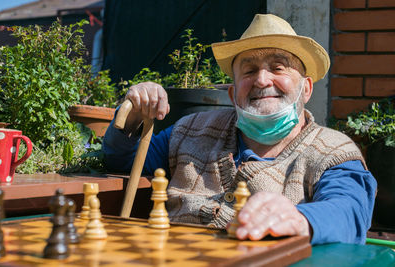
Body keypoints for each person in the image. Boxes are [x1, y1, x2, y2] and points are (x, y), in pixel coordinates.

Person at [102, 14, 377, 245]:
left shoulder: (334, 151)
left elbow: (350, 210)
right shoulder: (189, 129)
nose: (261, 79)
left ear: (305, 88)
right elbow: (123, 161)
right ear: (233, 94)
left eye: (277, 68)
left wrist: (299, 218)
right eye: (249, 70)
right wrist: (134, 116)